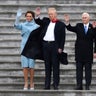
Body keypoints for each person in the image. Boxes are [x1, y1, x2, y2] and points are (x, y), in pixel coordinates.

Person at [35, 7, 66, 90]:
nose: (50, 16)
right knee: (47, 66)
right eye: (49, 14)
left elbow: (63, 38)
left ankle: (56, 84)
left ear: (55, 14)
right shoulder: (46, 21)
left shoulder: (61, 24)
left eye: (51, 14)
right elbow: (38, 21)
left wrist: (61, 48)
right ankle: (47, 85)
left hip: (55, 46)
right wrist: (37, 16)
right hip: (45, 45)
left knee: (56, 66)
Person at [64, 12, 96, 90]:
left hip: (88, 53)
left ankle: (87, 85)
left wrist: (95, 52)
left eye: (85, 17)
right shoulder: (79, 26)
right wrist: (67, 22)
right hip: (79, 52)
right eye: (83, 17)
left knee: (88, 71)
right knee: (79, 70)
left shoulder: (93, 27)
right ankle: (79, 85)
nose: (84, 19)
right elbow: (70, 28)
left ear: (89, 19)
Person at [14, 9, 40, 90]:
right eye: (27, 16)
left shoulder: (36, 26)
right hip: (24, 46)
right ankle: (26, 83)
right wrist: (18, 17)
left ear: (32, 17)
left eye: (30, 16)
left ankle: (32, 82)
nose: (28, 17)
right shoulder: (23, 25)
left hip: (32, 47)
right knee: (25, 66)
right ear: (25, 17)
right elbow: (16, 25)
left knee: (31, 66)